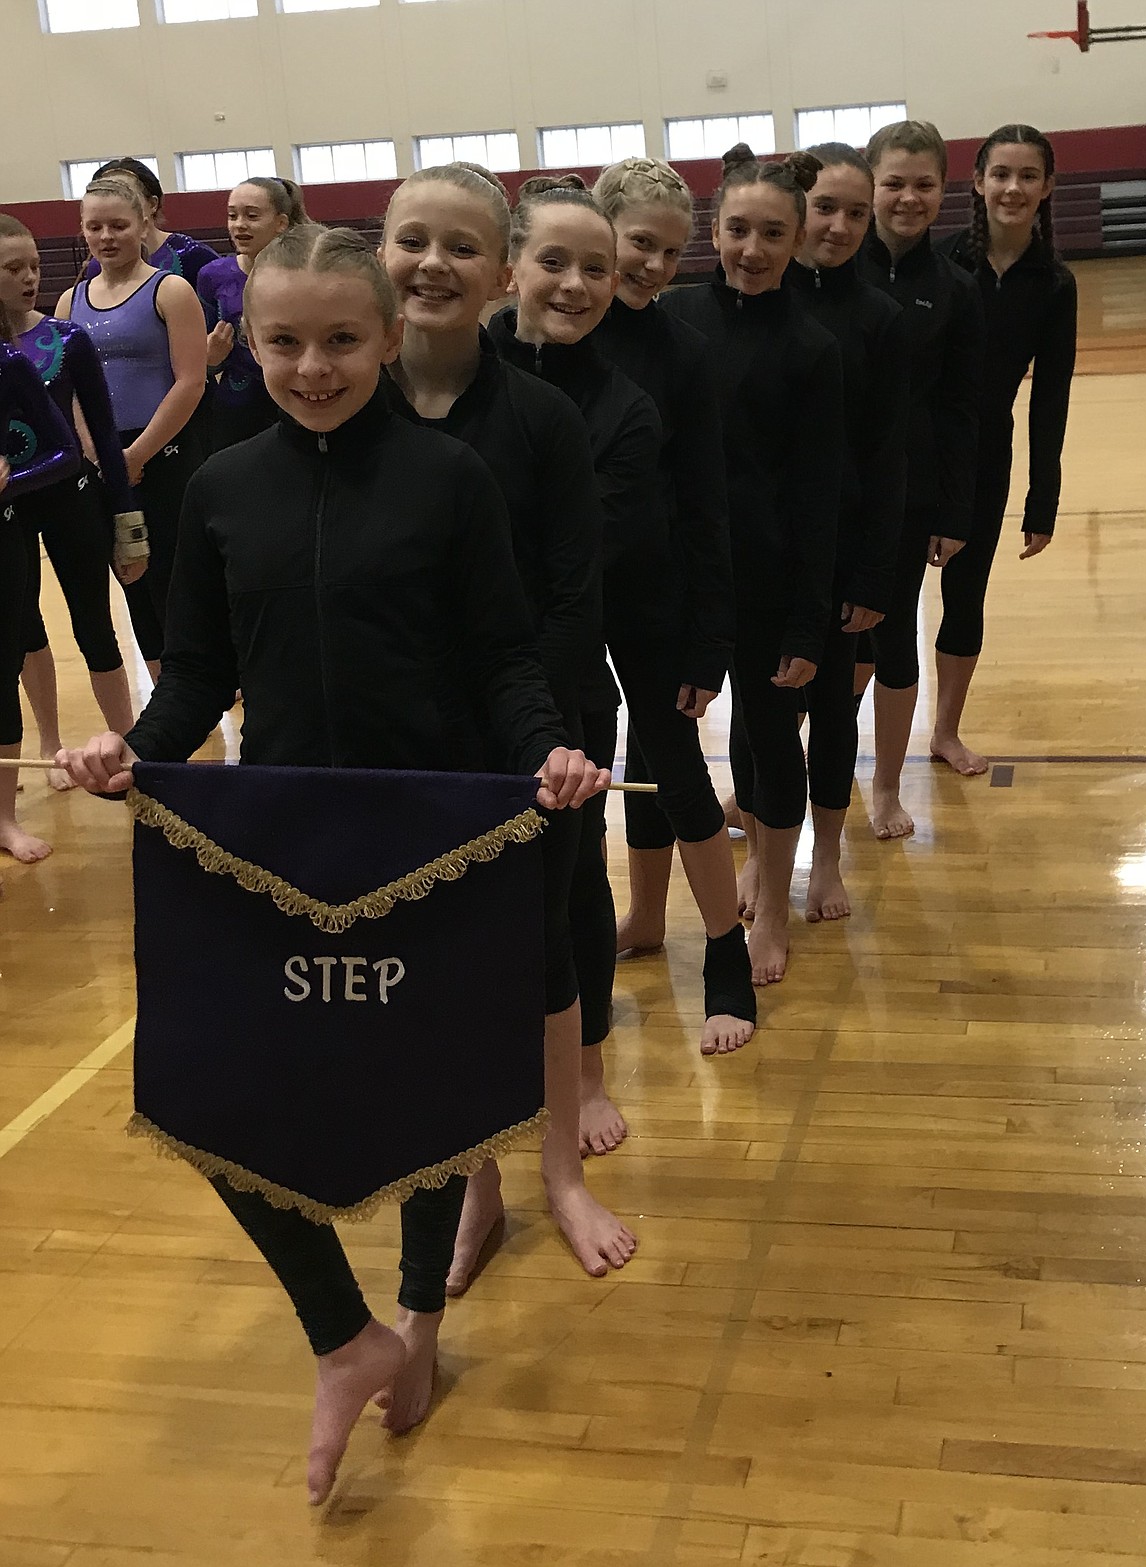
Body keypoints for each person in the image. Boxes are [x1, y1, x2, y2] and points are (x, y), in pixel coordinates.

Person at [57, 223, 610, 1508]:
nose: (316, 367)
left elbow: (504, 659)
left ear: (384, 335)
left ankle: (414, 1323)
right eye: (289, 342)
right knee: (205, 1088)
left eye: (343, 340)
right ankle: (339, 1330)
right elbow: (196, 668)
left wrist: (552, 752)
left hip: (434, 827)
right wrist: (134, 750)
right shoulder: (223, 488)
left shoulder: (452, 479)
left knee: (430, 1094)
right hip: (277, 834)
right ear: (250, 342)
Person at [378, 160, 638, 1279]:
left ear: (498, 272)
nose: (433, 264)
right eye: (411, 240)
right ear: (380, 253)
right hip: (407, 749)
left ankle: (560, 1178)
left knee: (538, 951)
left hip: (539, 741)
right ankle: (476, 1184)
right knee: (442, 964)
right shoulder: (346, 399)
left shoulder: (541, 417)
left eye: (461, 247)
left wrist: (532, 738)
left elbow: (578, 600)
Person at [663, 146, 844, 985]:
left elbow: (818, 497)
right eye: (738, 229)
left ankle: (774, 898)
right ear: (714, 227)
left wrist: (810, 619)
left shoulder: (811, 346)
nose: (752, 248)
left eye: (774, 233)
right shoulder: (673, 318)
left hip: (768, 579)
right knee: (711, 736)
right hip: (684, 575)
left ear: (798, 237)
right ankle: (709, 883)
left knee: (773, 740)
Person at [589, 156, 754, 1071]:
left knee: (677, 763)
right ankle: (637, 923)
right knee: (594, 764)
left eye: (668, 249)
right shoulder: (539, 334)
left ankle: (723, 949)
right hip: (566, 602)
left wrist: (711, 634)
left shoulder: (684, 351)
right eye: (638, 243)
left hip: (656, 594)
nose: (652, 264)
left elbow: (705, 501)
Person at [777, 143, 909, 920]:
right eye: (825, 208)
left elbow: (888, 455)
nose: (839, 225)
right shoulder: (751, 299)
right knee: (765, 724)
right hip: (763, 552)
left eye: (857, 213)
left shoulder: (882, 320)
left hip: (840, 557)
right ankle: (766, 858)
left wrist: (871, 577)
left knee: (831, 715)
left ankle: (826, 858)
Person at [853, 120, 984, 837]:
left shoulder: (956, 289)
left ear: (944, 190)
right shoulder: (832, 268)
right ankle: (804, 780)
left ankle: (887, 786)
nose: (908, 198)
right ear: (871, 184)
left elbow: (963, 407)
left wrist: (954, 510)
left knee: (894, 635)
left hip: (909, 494)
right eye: (894, 182)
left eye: (923, 184)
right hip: (833, 491)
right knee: (829, 641)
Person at [933, 124, 1077, 773]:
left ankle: (944, 730)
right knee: (868, 607)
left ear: (1047, 186)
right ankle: (827, 746)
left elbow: (1049, 398)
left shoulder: (1054, 285)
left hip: (987, 454)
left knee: (966, 598)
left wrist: (1041, 500)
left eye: (1027, 176)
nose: (1013, 188)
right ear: (978, 181)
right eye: (1001, 174)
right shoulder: (940, 262)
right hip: (914, 449)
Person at [0, 214, 145, 785]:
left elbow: (104, 435)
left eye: (35, 265)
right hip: (9, 509)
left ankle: (131, 747)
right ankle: (53, 743)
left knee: (94, 624)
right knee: (25, 630)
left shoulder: (65, 340)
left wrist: (128, 518)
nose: (30, 278)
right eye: (14, 269)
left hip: (72, 497)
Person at [60, 177, 207, 682]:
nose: (107, 236)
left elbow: (191, 382)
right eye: (95, 226)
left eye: (119, 225)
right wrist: (96, 452)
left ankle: (199, 681)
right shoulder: (69, 302)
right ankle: (165, 689)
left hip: (162, 455)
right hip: (102, 461)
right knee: (131, 577)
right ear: (82, 230)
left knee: (174, 578)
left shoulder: (170, 290)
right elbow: (70, 391)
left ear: (145, 223)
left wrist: (138, 455)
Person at [1, 310, 80, 864]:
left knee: (3, 668)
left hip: (4, 537)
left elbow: (64, 451)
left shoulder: (9, 365)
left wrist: (10, 480)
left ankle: (4, 820)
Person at [198, 177, 311, 451]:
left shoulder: (307, 273)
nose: (239, 224)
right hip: (237, 406)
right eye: (232, 215)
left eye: (251, 216)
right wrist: (210, 360)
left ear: (281, 223)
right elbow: (201, 354)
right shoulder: (213, 275)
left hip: (301, 396)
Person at [86, 158, 218, 287]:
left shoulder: (193, 256)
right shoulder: (98, 265)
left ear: (153, 203)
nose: (114, 204)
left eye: (127, 196)